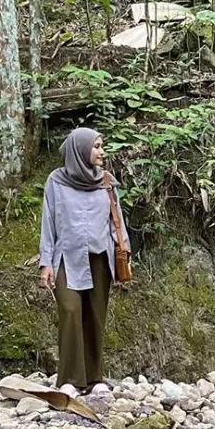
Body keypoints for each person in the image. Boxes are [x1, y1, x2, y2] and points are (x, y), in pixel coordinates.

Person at [38, 126, 130, 396]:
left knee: (95, 316)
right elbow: (49, 223)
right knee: (70, 311)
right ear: (80, 149)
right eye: (97, 146)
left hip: (101, 257)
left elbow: (117, 221)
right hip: (67, 257)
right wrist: (46, 262)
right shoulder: (56, 181)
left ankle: (94, 379)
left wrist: (125, 252)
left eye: (102, 146)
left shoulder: (106, 181)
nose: (102, 152)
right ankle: (69, 379)